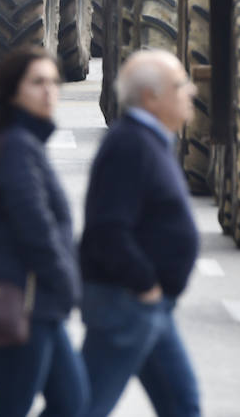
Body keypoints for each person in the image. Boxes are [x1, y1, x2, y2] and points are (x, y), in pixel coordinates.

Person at [79, 49, 201, 417]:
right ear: (152, 97)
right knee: (82, 406)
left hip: (149, 307)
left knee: (182, 404)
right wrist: (144, 284)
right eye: (181, 85)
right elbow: (107, 228)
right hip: (128, 303)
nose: (192, 91)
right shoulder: (130, 145)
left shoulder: (150, 142)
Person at [0, 46, 88, 417]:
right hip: (25, 300)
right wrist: (68, 284)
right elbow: (34, 227)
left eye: (54, 82)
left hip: (42, 303)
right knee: (15, 407)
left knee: (72, 403)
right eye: (37, 82)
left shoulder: (25, 145)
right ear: (12, 92)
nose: (49, 91)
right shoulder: (17, 148)